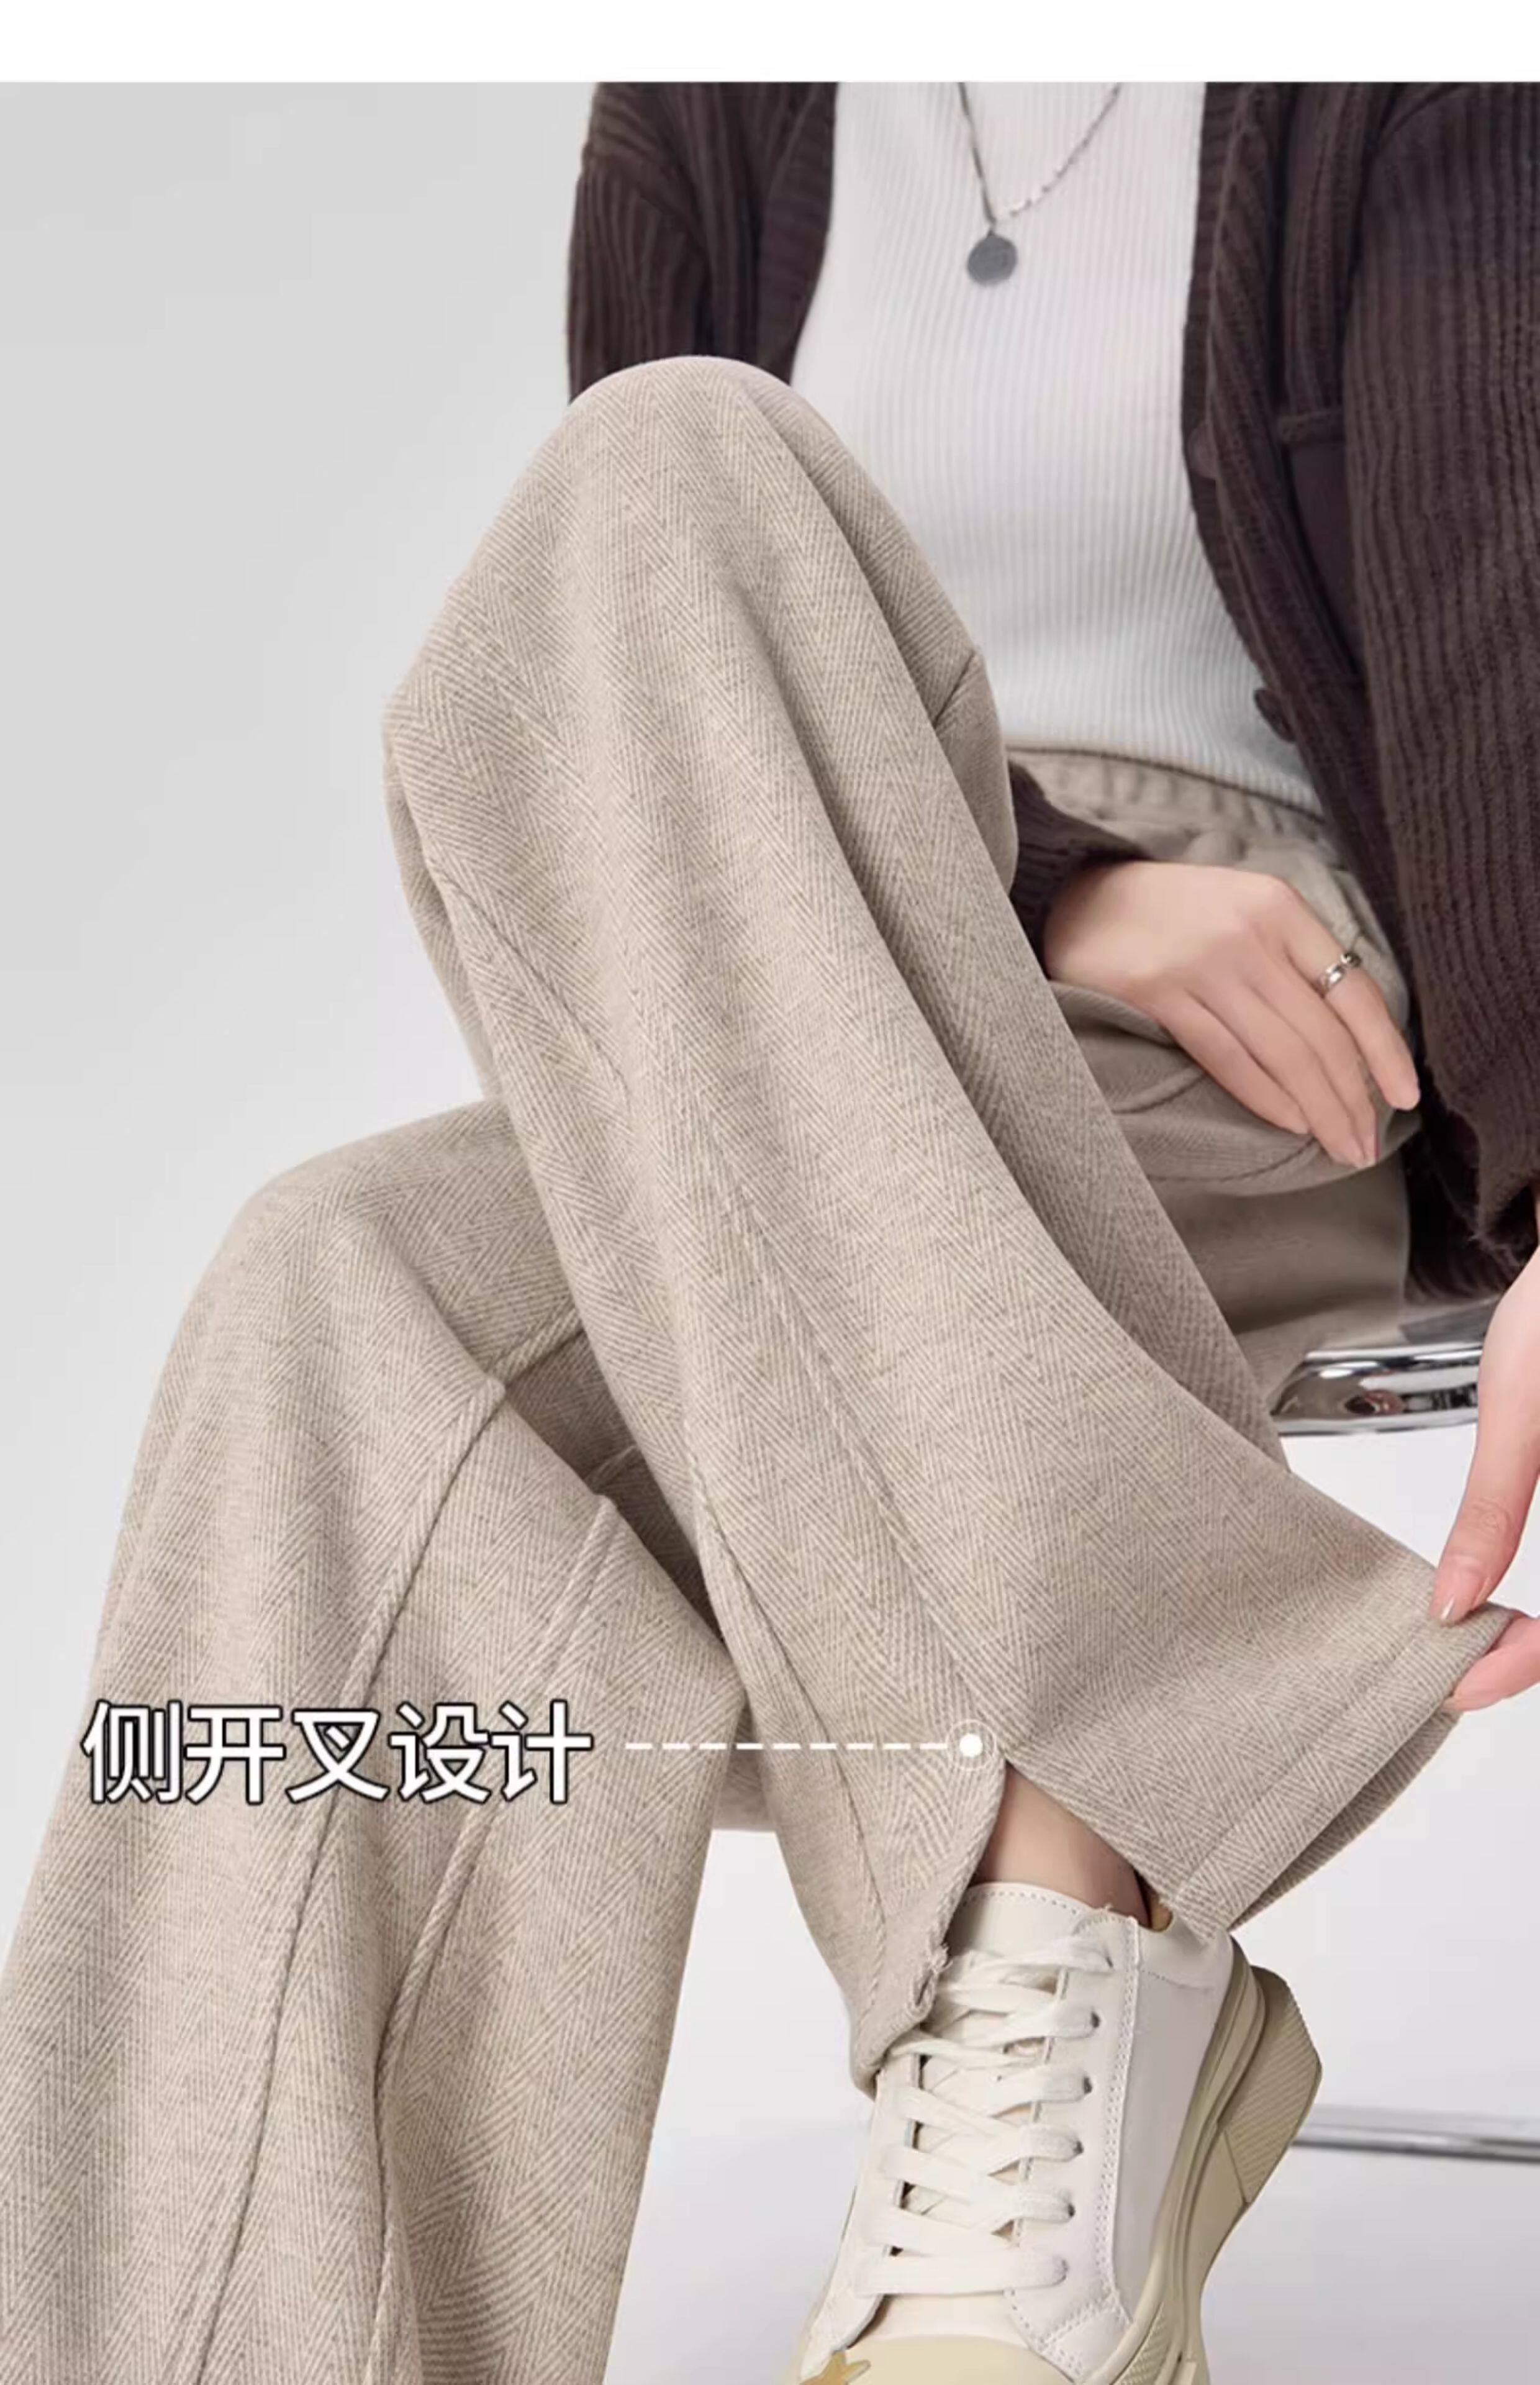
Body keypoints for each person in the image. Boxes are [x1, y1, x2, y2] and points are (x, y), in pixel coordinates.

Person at [1, 78, 1537, 2385]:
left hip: (1267, 1010)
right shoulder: (714, 108)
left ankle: (1049, 1937)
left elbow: (1505, 614)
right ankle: (1082, 1833)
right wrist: (1050, 884)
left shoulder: (1405, 77)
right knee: (333, 1273)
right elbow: (629, 701)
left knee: (667, 457)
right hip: (787, 945)